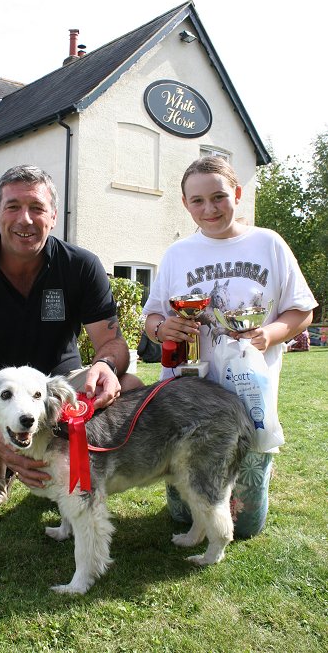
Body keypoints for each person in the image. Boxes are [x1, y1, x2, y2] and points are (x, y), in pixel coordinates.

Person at [0, 164, 142, 509]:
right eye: (13, 207)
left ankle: (74, 471)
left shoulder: (81, 266)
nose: (25, 218)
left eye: (36, 208)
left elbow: (112, 344)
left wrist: (107, 366)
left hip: (57, 383)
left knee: (130, 387)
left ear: (53, 216)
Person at [143, 156, 317, 538]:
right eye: (198, 201)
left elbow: (302, 310)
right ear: (186, 203)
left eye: (219, 196)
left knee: (246, 525)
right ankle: (196, 512)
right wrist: (164, 327)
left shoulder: (268, 243)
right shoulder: (177, 254)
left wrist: (269, 334)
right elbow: (152, 319)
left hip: (248, 388)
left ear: (237, 195)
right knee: (181, 514)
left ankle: (233, 512)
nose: (209, 208)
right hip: (188, 391)